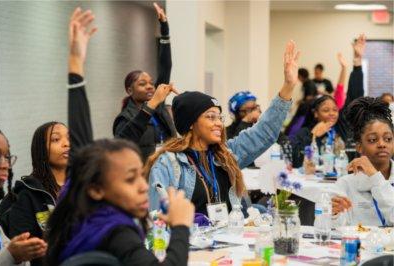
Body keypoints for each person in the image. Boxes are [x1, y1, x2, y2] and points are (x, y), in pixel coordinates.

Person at [46, 9, 194, 265]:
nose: (141, 185)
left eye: (139, 174)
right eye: (129, 179)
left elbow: (80, 134)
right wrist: (181, 227)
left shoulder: (79, 210)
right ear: (96, 189)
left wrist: (76, 65)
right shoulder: (117, 233)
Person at [145, 41, 299, 215]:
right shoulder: (169, 164)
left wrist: (288, 86)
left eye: (219, 117)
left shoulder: (226, 155)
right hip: (191, 240)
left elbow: (265, 132)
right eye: (210, 117)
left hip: (232, 238)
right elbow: (157, 218)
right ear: (190, 123)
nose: (219, 123)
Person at [113, 3, 177, 161]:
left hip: (168, 168)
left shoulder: (159, 106)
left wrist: (164, 29)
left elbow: (165, 66)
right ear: (129, 91)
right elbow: (121, 151)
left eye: (151, 83)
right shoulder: (125, 118)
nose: (150, 86)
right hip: (144, 175)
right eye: (142, 84)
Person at [291, 34, 366, 168]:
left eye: (335, 110)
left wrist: (357, 61)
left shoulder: (344, 126)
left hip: (347, 182)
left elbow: (355, 96)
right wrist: (313, 136)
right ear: (315, 113)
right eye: (326, 110)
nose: (332, 113)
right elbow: (295, 160)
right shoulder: (305, 134)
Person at [331, 97, 394, 226]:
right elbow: (335, 230)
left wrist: (375, 176)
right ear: (359, 147)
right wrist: (333, 214)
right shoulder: (346, 184)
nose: (382, 144)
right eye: (372, 140)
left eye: (388, 139)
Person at [0, 128, 47, 266]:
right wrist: (11, 255)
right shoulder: (25, 195)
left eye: (7, 156)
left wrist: (20, 254)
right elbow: (7, 255)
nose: (5, 165)